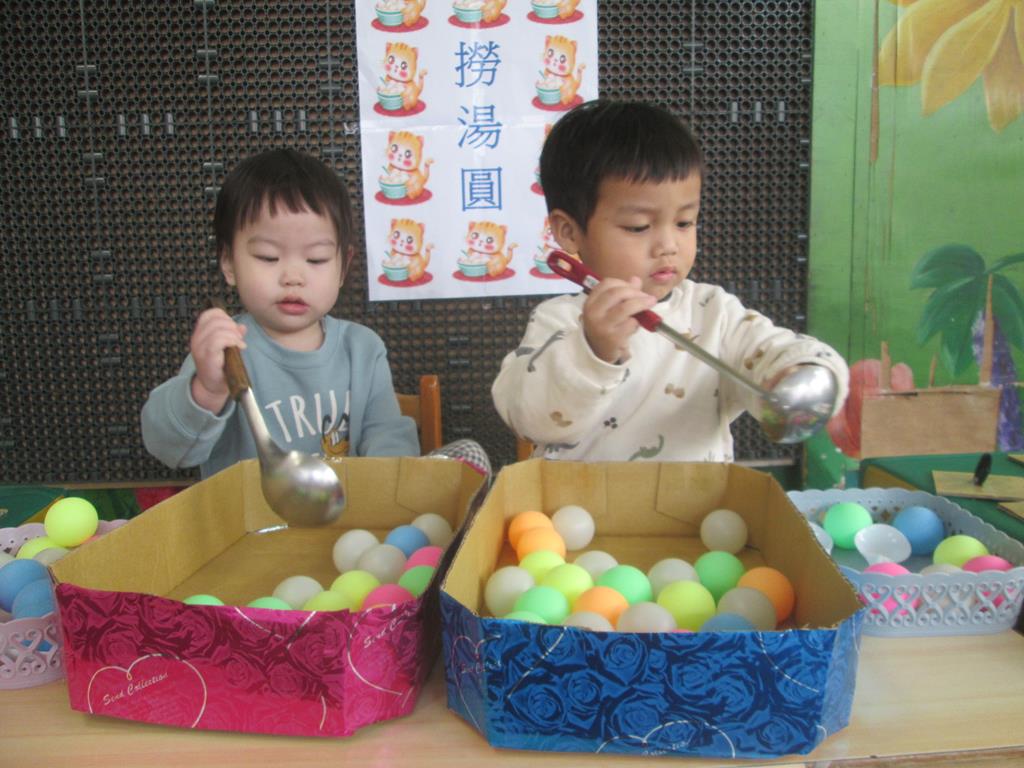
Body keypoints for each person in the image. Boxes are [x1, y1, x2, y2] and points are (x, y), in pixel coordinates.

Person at [492, 100, 849, 462]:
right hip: (579, 500)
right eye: (638, 227)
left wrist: (803, 372)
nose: (668, 245)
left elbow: (775, 351)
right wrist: (591, 350)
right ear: (569, 232)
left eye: (684, 222)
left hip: (696, 499)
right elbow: (529, 419)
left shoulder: (715, 314)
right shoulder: (560, 321)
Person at [142, 148, 419, 478]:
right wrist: (207, 390)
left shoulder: (362, 349)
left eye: (316, 259)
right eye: (268, 257)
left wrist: (386, 484)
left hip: (347, 508)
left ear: (343, 267)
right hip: (245, 511)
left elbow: (389, 438)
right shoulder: (226, 352)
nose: (292, 277)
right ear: (228, 262)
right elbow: (168, 449)